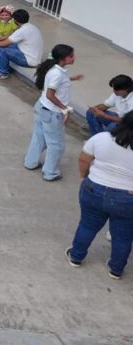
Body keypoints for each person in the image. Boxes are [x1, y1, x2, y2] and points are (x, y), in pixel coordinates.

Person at [65, 112, 133, 280]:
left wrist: (84, 177)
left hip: (94, 188)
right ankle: (116, 269)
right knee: (123, 236)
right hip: (127, 198)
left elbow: (83, 160)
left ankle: (76, 257)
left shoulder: (101, 138)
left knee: (87, 225)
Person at [25, 44, 84, 181]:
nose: (74, 58)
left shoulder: (55, 69)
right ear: (63, 58)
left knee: (39, 138)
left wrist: (71, 79)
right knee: (56, 145)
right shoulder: (57, 74)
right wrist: (64, 108)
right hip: (52, 113)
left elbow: (56, 83)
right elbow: (50, 95)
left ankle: (30, 162)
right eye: (71, 56)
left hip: (41, 107)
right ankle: (50, 173)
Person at [0, 9, 43, 80]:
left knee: (2, 50)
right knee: (10, 45)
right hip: (33, 57)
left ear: (15, 20)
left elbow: (3, 44)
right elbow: (11, 35)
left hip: (29, 61)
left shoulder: (22, 31)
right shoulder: (31, 26)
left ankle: (2, 73)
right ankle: (0, 64)